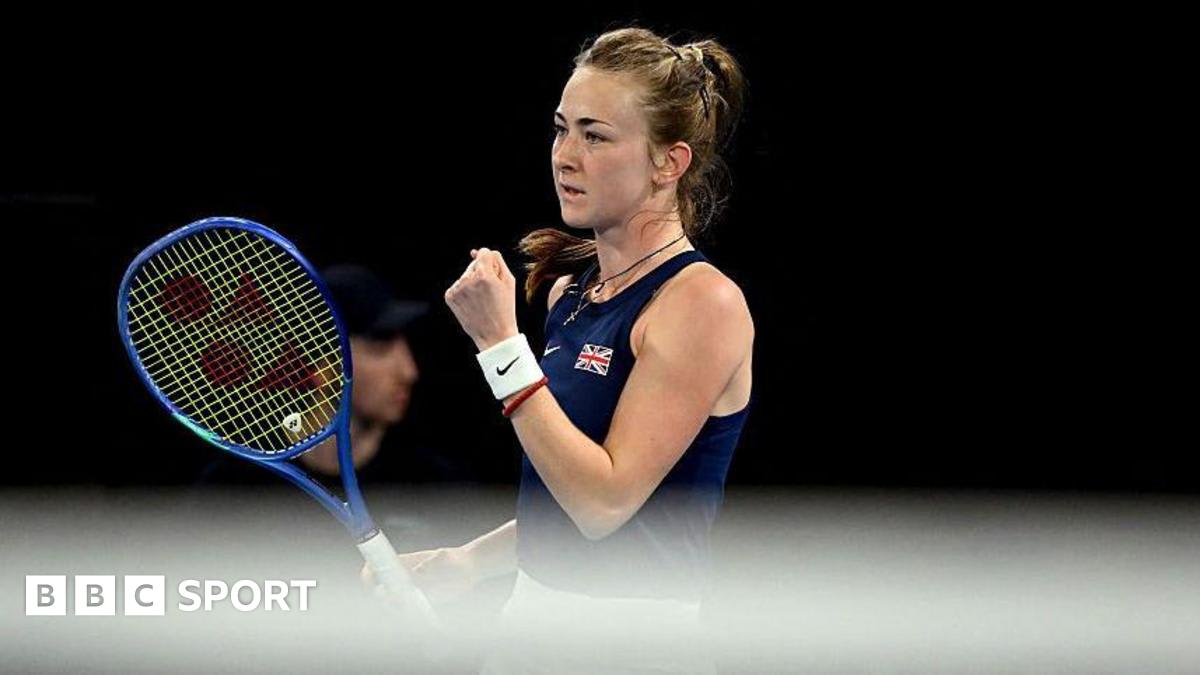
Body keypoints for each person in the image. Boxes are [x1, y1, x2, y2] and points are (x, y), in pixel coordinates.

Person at [373, 27, 753, 672]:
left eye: (595, 135)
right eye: (561, 129)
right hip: (528, 623)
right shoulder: (570, 295)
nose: (564, 155)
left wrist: (499, 346)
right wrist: (471, 561)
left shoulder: (701, 304)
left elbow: (604, 504)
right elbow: (563, 499)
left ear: (670, 162)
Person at [196, 264, 448, 485]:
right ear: (322, 367)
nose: (409, 371)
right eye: (380, 348)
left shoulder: (436, 484)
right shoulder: (233, 487)